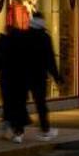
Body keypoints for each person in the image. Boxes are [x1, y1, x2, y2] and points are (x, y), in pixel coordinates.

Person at [20, 12, 64, 141]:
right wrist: (56, 77)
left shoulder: (24, 36)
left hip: (24, 75)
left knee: (20, 102)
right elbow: (50, 60)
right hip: (39, 76)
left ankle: (17, 130)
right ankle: (45, 130)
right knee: (41, 104)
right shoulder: (45, 38)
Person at [0, 4, 31, 143]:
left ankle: (13, 127)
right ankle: (16, 129)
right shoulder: (22, 43)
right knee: (17, 105)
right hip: (19, 80)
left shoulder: (4, 43)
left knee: (11, 104)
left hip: (8, 80)